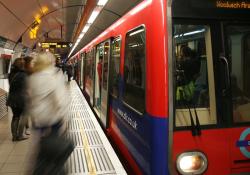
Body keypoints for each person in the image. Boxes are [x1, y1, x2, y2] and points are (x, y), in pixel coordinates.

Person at [26, 51, 72, 174]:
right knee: (54, 151)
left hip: (37, 121)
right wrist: (65, 120)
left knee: (40, 149)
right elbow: (60, 101)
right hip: (52, 121)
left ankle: (39, 169)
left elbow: (30, 99)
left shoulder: (32, 78)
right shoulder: (54, 76)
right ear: (49, 63)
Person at [7, 58, 29, 141]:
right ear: (22, 65)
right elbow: (26, 87)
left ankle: (14, 136)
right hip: (21, 98)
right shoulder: (23, 75)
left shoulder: (11, 74)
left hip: (12, 98)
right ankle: (20, 135)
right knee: (23, 116)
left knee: (15, 116)